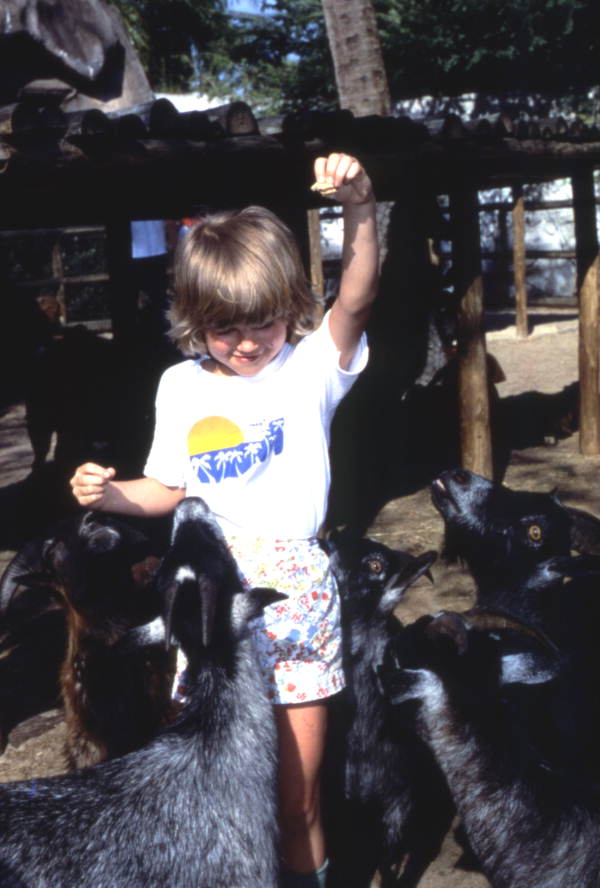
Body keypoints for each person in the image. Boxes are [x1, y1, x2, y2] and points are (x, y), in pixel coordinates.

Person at [70, 152, 379, 887]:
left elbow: (360, 296)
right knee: (214, 788)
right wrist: (111, 496)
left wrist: (361, 204)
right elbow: (167, 488)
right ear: (193, 321)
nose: (245, 343)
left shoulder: (308, 370)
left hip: (298, 601)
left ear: (290, 307)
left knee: (297, 794)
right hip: (208, 603)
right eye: (222, 329)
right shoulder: (179, 387)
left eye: (262, 323)